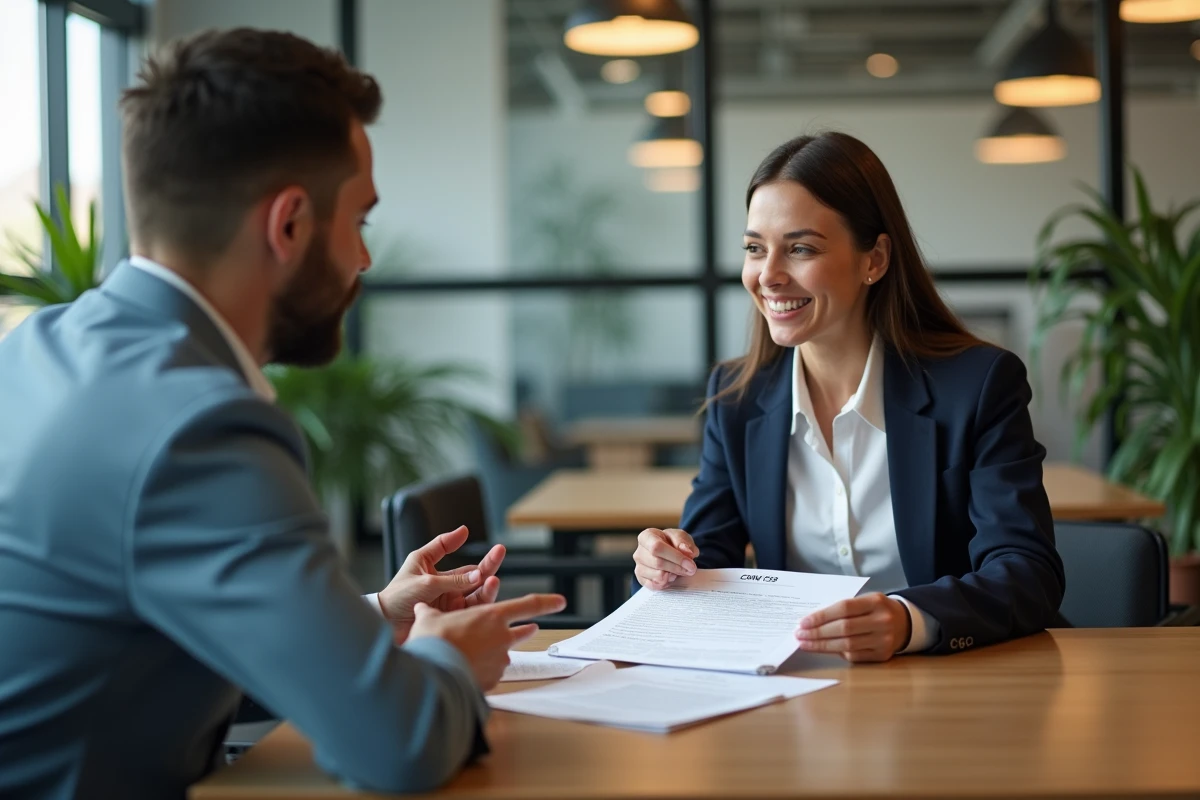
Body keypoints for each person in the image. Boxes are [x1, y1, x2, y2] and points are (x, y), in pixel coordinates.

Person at [0, 27, 564, 799]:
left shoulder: (37, 348)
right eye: (359, 221)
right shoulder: (199, 427)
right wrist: (448, 659)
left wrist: (373, 619)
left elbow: (141, 641)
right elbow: (396, 744)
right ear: (290, 224)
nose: (364, 260)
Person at [633, 132, 1064, 662]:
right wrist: (665, 565)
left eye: (801, 249)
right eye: (754, 248)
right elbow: (706, 560)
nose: (768, 275)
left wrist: (908, 620)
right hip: (798, 682)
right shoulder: (736, 398)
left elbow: (1027, 572)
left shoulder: (977, 385)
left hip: (950, 679)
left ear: (874, 259)